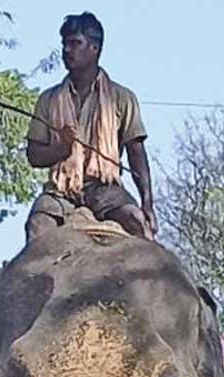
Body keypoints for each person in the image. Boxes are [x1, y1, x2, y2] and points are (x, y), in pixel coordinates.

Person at [24, 12, 154, 242]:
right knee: (37, 226)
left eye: (75, 43)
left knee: (137, 223)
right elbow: (33, 155)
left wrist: (147, 203)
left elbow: (136, 153)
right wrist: (60, 149)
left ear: (94, 48)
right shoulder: (48, 99)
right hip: (60, 193)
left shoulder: (121, 98)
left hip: (105, 189)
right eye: (65, 44)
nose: (67, 50)